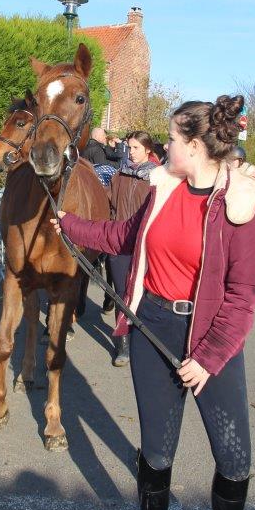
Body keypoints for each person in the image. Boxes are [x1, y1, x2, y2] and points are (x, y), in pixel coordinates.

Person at [51, 95, 255, 510]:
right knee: (157, 451)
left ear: (194, 146)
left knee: (234, 457)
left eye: (171, 138)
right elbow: (125, 235)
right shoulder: (162, 190)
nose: (163, 145)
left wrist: (210, 357)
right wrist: (70, 224)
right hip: (153, 328)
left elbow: (246, 292)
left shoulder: (243, 206)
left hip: (213, 339)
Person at [106, 131, 159, 366]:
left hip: (146, 247)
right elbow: (108, 203)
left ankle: (144, 339)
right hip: (119, 245)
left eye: (136, 148)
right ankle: (123, 343)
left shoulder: (156, 178)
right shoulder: (120, 174)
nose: (131, 152)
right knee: (121, 294)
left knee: (145, 295)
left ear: (147, 150)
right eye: (129, 147)